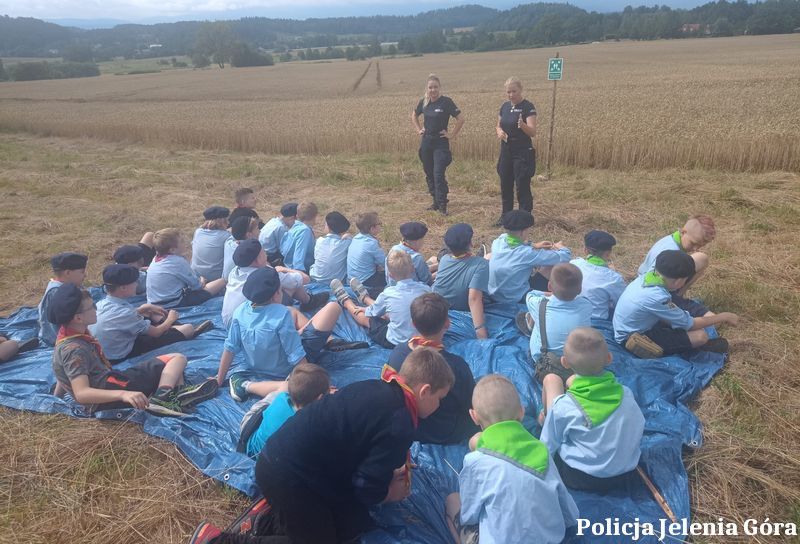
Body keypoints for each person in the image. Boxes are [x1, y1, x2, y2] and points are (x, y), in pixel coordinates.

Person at [445, 374, 578, 544]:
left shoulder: (475, 461)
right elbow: (568, 511)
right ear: (522, 412)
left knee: (452, 500)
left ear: (474, 416)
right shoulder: (542, 451)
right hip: (552, 539)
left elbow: (469, 515)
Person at [48, 283, 215, 417]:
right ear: (78, 317)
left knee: (172, 374)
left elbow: (62, 373)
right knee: (177, 358)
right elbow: (82, 393)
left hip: (108, 384)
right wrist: (123, 395)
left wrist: (56, 398)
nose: (95, 309)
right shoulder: (74, 350)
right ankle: (162, 398)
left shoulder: (68, 335)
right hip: (109, 392)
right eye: (91, 307)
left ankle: (176, 395)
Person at [539, 327, 645, 493]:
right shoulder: (625, 393)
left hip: (580, 477)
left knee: (551, 379)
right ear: (609, 358)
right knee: (569, 383)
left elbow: (547, 445)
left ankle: (544, 416)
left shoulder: (564, 406)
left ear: (564, 362)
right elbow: (638, 427)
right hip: (624, 474)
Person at [217, 267, 343, 397]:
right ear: (277, 293)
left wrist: (219, 380)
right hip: (287, 372)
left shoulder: (240, 311)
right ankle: (326, 339)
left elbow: (229, 348)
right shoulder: (281, 315)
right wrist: (317, 386)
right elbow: (297, 357)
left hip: (256, 368)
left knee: (291, 310)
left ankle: (303, 333)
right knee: (333, 307)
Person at [387, 293, 478, 444]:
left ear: (413, 324)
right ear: (447, 323)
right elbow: (470, 404)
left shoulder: (397, 353)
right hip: (444, 432)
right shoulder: (456, 365)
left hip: (409, 426)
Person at [614, 250, 739, 358]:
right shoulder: (657, 297)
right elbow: (690, 325)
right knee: (700, 336)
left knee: (681, 321)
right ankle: (691, 348)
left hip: (629, 326)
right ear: (679, 280)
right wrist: (723, 316)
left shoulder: (649, 276)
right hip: (633, 338)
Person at [91, 264, 212, 363]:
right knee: (188, 328)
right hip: (119, 356)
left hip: (104, 351)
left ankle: (174, 327)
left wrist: (143, 308)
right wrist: (171, 318)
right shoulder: (125, 314)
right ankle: (181, 329)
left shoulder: (101, 304)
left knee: (149, 312)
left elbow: (120, 318)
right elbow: (156, 333)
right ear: (123, 288)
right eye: (135, 282)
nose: (137, 284)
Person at [527, 263, 593, 419]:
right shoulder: (586, 305)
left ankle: (546, 411)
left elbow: (531, 294)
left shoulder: (539, 304)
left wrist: (549, 294)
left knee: (533, 319)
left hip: (545, 365)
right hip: (577, 366)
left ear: (550, 286)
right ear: (579, 289)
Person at [331, 249, 431, 349]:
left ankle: (346, 302)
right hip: (423, 336)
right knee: (390, 311)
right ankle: (365, 298)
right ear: (413, 269)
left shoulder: (389, 293)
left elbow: (373, 312)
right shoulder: (426, 289)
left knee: (368, 319)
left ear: (390, 275)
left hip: (395, 341)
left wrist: (365, 309)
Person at [244, 362, 330, 458]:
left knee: (283, 387)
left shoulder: (282, 398)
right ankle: (245, 385)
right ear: (320, 398)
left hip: (251, 444)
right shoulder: (310, 426)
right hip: (267, 460)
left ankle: (246, 385)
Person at [637, 214, 716, 315]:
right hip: (655, 292)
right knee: (713, 320)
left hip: (664, 283)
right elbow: (654, 284)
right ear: (683, 232)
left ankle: (678, 296)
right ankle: (676, 301)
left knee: (702, 258)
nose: (696, 249)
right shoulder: (670, 251)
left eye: (701, 245)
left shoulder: (673, 240)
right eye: (693, 243)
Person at [487, 210, 571, 304]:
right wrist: (560, 247)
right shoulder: (527, 253)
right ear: (522, 232)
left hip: (494, 293)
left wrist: (533, 245)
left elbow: (520, 243)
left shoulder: (499, 241)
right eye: (528, 229)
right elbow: (565, 256)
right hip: (516, 298)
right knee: (551, 266)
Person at [411, 74, 464, 216]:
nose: (433, 90)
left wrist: (451, 134)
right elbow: (414, 115)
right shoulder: (424, 102)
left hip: (441, 143)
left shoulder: (446, 102)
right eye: (430, 87)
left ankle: (442, 205)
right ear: (427, 89)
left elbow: (461, 118)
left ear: (439, 88)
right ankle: (435, 201)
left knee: (438, 174)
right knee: (429, 173)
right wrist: (419, 130)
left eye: (435, 87)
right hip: (427, 142)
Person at [433, 223, 490, 340]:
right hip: (461, 309)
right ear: (470, 243)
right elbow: (474, 299)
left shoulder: (444, 259)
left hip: (438, 307)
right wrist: (481, 332)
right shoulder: (481, 265)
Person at [146, 228, 227, 308]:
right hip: (174, 303)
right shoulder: (178, 262)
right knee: (222, 281)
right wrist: (202, 280)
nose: (185, 243)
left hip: (154, 303)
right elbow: (197, 286)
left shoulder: (155, 259)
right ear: (172, 250)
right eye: (181, 241)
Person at [495, 76, 537, 225]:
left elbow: (532, 132)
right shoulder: (505, 107)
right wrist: (499, 132)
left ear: (520, 90)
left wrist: (523, 125)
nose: (511, 95)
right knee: (505, 184)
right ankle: (505, 217)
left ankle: (524, 219)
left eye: (514, 91)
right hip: (506, 150)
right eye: (508, 92)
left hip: (522, 151)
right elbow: (498, 125)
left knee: (522, 185)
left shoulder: (528, 107)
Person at [570, 230, 627, 321]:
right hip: (597, 323)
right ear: (608, 253)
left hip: (572, 316)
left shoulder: (573, 264)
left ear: (585, 250)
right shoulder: (614, 279)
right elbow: (622, 304)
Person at [38, 252, 88, 346]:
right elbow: (53, 326)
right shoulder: (56, 293)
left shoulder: (71, 286)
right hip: (60, 340)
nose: (85, 275)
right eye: (82, 272)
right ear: (68, 273)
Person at [346, 211, 386, 298]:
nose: (381, 225)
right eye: (379, 223)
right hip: (365, 281)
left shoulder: (356, 238)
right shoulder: (371, 243)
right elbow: (385, 263)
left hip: (351, 279)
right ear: (372, 228)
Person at [386, 221, 435, 287]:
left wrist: (437, 265)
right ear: (417, 241)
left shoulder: (394, 249)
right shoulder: (417, 258)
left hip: (393, 286)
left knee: (433, 259)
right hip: (416, 290)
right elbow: (427, 280)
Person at [191, 206, 233, 282]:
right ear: (221, 221)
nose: (228, 222)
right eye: (227, 220)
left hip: (196, 276)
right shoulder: (226, 236)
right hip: (215, 279)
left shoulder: (198, 232)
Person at [309, 211, 352, 284]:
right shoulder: (347, 242)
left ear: (328, 227)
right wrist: (349, 237)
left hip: (316, 277)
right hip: (336, 281)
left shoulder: (319, 241)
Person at [280, 202, 317, 273]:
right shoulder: (304, 231)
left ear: (297, 215)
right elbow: (298, 260)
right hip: (300, 272)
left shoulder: (295, 227)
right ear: (315, 216)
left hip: (288, 266)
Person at [259, 202, 297, 267]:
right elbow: (284, 249)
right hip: (270, 256)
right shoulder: (281, 228)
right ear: (292, 218)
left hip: (262, 251)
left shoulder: (273, 220)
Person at [223, 216, 260, 281]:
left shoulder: (229, 242)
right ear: (249, 235)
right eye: (257, 229)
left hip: (226, 283)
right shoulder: (250, 251)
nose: (260, 231)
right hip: (239, 283)